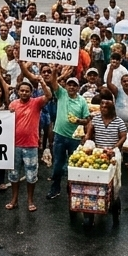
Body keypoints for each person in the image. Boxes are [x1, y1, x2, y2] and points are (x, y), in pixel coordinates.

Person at [45, 69, 90, 200]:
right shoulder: (62, 94)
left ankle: (72, 189)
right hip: (59, 135)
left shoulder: (82, 101)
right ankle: (55, 188)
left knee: (74, 164)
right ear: (66, 86)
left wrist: (78, 121)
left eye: (74, 85)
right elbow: (53, 82)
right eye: (69, 84)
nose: (71, 87)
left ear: (78, 88)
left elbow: (87, 119)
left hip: (74, 138)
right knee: (58, 164)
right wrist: (55, 71)